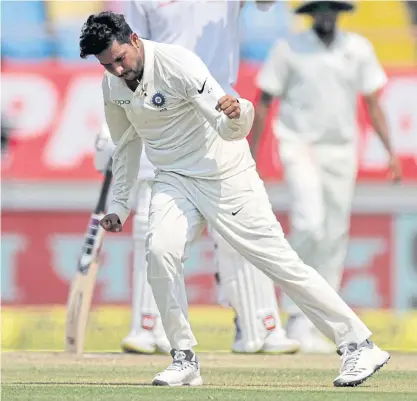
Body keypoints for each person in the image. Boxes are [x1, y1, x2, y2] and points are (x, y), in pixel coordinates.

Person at [79, 10, 390, 387]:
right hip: (173, 179)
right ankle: (184, 357)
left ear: (134, 40)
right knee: (160, 252)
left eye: (119, 60)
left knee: (280, 263)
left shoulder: (179, 64)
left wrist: (239, 112)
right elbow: (126, 144)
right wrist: (119, 204)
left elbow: (230, 128)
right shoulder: (111, 85)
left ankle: (359, 343)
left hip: (225, 175)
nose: (116, 70)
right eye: (106, 65)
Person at [94, 0, 299, 355]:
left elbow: (267, 4)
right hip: (160, 112)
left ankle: (260, 326)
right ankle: (150, 327)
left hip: (217, 107)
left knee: (238, 222)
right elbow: (127, 52)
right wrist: (112, 124)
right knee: (151, 223)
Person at [250, 0, 402, 353]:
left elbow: (374, 102)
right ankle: (294, 314)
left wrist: (391, 152)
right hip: (299, 145)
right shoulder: (288, 47)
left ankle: (322, 321)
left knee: (335, 233)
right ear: (310, 13)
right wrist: (251, 155)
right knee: (310, 224)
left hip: (341, 150)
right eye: (319, 9)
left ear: (339, 12)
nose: (325, 15)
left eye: (331, 9)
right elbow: (263, 100)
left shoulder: (358, 48)